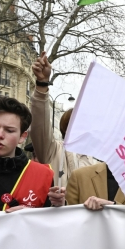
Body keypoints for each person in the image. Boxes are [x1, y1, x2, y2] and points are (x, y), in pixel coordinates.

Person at [0, 96, 66, 211]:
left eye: (9, 130)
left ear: (22, 137)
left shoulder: (44, 175)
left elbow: (52, 224)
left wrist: (58, 206)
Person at [30, 52, 96, 188]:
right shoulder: (54, 151)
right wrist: (42, 84)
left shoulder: (99, 160)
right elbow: (39, 125)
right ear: (66, 127)